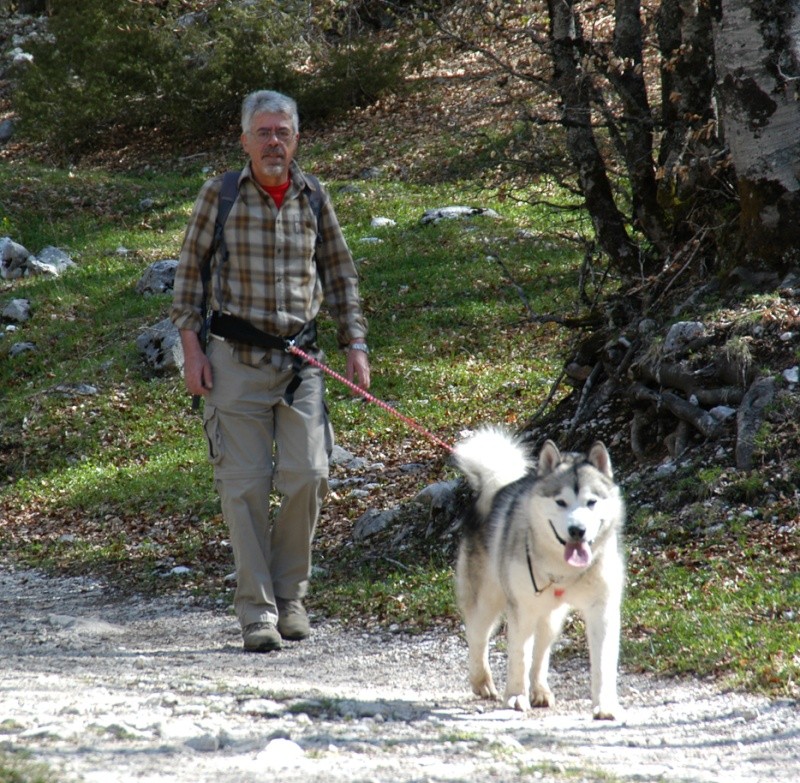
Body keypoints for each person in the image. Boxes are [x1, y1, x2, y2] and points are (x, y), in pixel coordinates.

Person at [170, 89, 370, 652]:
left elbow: (340, 275)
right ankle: (257, 612)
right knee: (246, 488)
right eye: (264, 133)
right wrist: (192, 352)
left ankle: (291, 599)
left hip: (301, 364)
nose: (274, 142)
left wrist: (355, 343)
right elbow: (189, 280)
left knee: (310, 475)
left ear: (296, 138)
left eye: (283, 132)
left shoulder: (313, 196)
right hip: (234, 363)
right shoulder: (222, 195)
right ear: (245, 140)